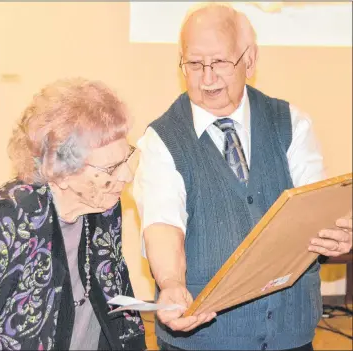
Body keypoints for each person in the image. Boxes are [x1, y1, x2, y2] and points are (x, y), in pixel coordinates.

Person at [133, 3, 352, 351]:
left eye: (219, 62)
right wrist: (172, 282)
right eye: (194, 63)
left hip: (289, 334)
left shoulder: (291, 123)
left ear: (249, 60)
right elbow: (162, 221)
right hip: (203, 339)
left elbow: (316, 209)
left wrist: (336, 234)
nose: (207, 78)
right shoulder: (162, 138)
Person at [0, 78, 146, 350]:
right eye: (112, 168)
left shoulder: (103, 205)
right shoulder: (9, 218)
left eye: (126, 159)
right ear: (61, 171)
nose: (126, 176)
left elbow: (116, 295)